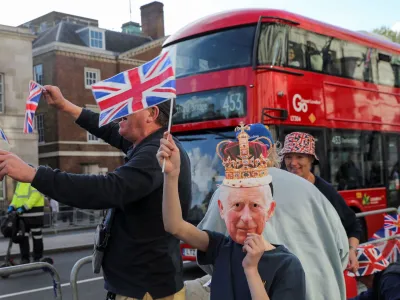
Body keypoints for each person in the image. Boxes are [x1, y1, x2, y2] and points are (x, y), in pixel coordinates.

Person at [0, 85, 192, 300]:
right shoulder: (150, 144)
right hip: (139, 285)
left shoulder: (156, 153)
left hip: (144, 289)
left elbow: (104, 189)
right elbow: (108, 130)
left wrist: (33, 174)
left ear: (152, 114)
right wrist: (65, 106)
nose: (119, 111)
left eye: (128, 105)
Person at [186, 124, 349, 300]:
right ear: (273, 151)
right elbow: (342, 249)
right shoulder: (310, 190)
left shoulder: (229, 191)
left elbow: (213, 255)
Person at [157, 124, 306, 300]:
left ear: (270, 210)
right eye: (236, 205)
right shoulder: (221, 248)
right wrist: (171, 175)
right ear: (222, 209)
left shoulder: (287, 266)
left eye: (255, 206)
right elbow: (174, 226)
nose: (245, 217)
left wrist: (251, 270)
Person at [279, 131, 361, 273]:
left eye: (299, 157)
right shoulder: (279, 189)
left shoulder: (325, 191)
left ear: (311, 159)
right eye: (288, 157)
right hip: (288, 268)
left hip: (320, 268)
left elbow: (353, 225)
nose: (293, 163)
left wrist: (352, 250)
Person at [7, 181, 45, 263]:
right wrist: (12, 206)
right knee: (23, 237)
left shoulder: (35, 180)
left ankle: (38, 257)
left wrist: (24, 207)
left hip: (34, 214)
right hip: (22, 214)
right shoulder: (20, 183)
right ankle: (25, 258)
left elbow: (36, 196)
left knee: (37, 236)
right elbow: (16, 197)